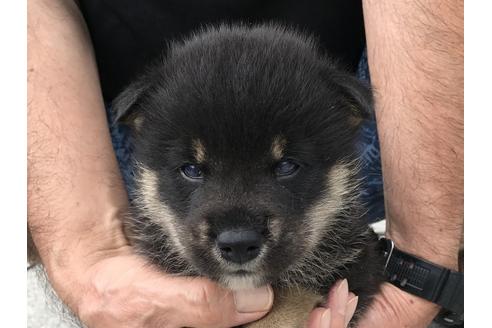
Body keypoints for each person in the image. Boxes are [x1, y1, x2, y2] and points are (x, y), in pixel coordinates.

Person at [27, 0, 463, 327]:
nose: (237, 233)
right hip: (87, 101)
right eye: (192, 170)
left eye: (286, 166)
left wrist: (422, 268)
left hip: (382, 77)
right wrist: (90, 253)